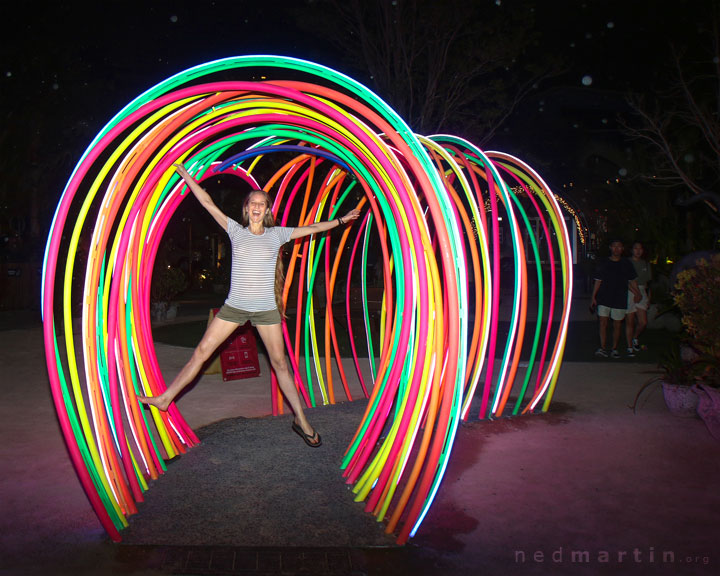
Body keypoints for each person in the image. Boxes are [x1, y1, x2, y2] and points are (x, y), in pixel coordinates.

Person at [138, 164, 361, 447]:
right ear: (247, 209)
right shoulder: (235, 230)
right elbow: (207, 203)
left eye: (262, 204)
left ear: (267, 210)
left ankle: (301, 420)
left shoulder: (277, 234)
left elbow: (314, 227)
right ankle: (165, 398)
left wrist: (341, 221)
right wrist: (187, 178)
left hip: (266, 310)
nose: (257, 207)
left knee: (280, 364)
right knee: (202, 352)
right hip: (235, 307)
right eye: (252, 203)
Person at [590, 239, 641, 359]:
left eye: (619, 247)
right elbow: (598, 280)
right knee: (603, 323)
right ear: (610, 248)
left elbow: (632, 280)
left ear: (622, 249)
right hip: (604, 297)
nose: (616, 249)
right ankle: (602, 348)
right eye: (614, 246)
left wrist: (637, 293)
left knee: (617, 324)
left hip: (620, 298)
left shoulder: (626, 264)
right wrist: (593, 297)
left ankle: (614, 348)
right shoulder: (604, 263)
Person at [625, 241, 651, 353]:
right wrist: (636, 293)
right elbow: (625, 281)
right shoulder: (627, 263)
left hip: (641, 291)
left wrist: (648, 297)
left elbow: (648, 283)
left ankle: (635, 337)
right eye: (636, 248)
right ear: (632, 250)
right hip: (630, 291)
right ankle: (629, 346)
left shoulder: (645, 264)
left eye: (640, 248)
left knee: (643, 322)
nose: (638, 251)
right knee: (630, 321)